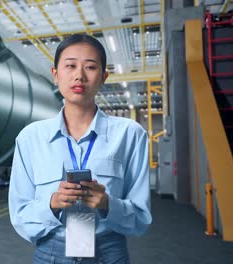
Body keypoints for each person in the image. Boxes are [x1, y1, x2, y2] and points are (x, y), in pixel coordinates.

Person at [8, 34, 152, 264]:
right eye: (70, 66)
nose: (79, 75)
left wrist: (107, 204)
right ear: (55, 74)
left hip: (108, 252)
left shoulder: (130, 135)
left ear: (103, 77)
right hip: (51, 253)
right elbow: (20, 216)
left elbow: (140, 219)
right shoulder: (30, 138)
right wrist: (52, 204)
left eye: (90, 67)